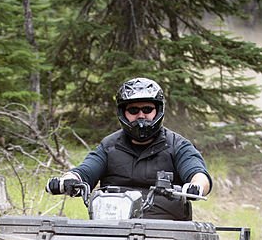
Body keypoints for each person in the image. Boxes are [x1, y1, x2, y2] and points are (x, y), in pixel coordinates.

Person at [46, 77, 212, 221]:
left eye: (147, 109)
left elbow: (198, 174)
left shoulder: (178, 145)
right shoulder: (109, 146)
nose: (141, 115)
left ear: (158, 111)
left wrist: (196, 186)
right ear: (123, 113)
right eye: (133, 110)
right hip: (112, 229)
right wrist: (67, 180)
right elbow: (84, 171)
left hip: (166, 233)